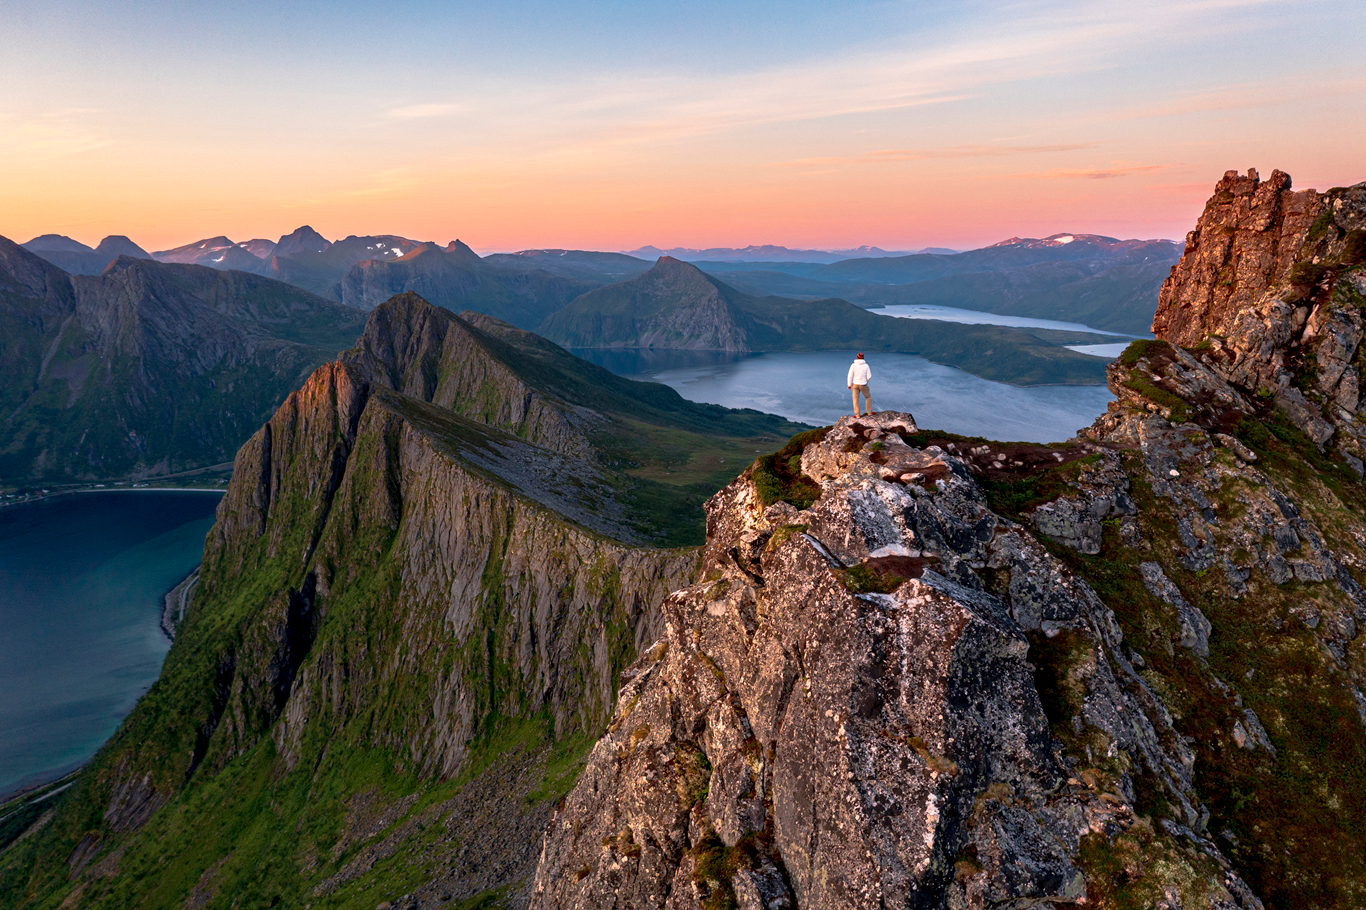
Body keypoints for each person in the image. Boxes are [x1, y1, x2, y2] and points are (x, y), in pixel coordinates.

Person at [847, 353, 874, 417]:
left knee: (856, 399)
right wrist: (865, 381)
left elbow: (850, 375)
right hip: (863, 384)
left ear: (857, 357)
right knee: (868, 397)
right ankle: (869, 412)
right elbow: (869, 376)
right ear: (863, 358)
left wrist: (849, 384)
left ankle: (857, 414)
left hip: (855, 384)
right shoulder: (866, 366)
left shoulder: (853, 365)